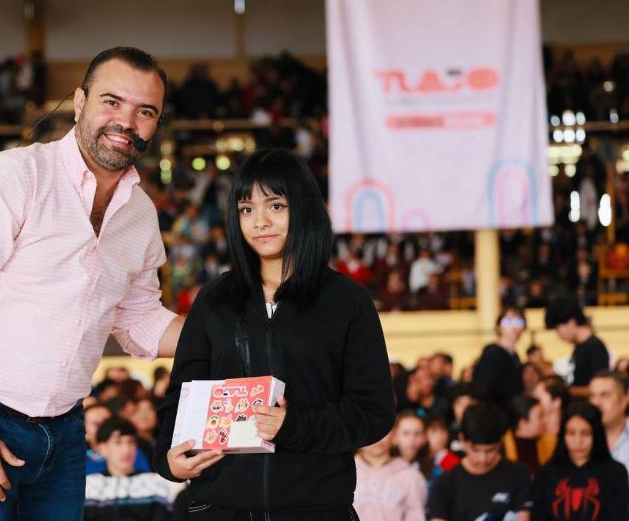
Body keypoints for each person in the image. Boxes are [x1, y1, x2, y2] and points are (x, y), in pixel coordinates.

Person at [0, 47, 184, 519]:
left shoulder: (140, 214)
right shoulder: (14, 176)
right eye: (111, 101)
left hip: (65, 431)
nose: (126, 121)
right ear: (79, 102)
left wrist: (234, 330)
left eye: (145, 111)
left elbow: (140, 319)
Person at [154, 149, 395, 519]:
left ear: (303, 209)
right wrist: (169, 461)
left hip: (316, 509)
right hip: (220, 508)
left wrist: (293, 426)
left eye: (276, 206)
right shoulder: (214, 300)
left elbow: (373, 412)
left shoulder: (347, 302)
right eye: (247, 209)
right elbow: (180, 399)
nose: (260, 222)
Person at [427, 403, 533, 521]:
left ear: (500, 443)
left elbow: (523, 516)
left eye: (490, 450)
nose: (483, 458)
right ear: (462, 439)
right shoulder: (445, 483)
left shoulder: (518, 474)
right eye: (475, 450)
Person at [530, 402, 629, 520]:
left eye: (585, 433)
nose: (578, 441)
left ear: (596, 435)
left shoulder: (615, 472)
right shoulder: (545, 473)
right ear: (563, 436)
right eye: (571, 433)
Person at [84, 418, 181, 521]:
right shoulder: (89, 485)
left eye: (131, 442)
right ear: (102, 448)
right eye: (118, 443)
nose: (126, 450)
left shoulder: (154, 483)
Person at [353, 430, 427, 521]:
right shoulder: (344, 473)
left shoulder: (410, 475)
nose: (377, 438)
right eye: (370, 430)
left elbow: (415, 516)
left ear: (394, 436)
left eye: (383, 430)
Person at [545, 296, 609, 397]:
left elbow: (600, 389)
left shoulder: (595, 347)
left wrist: (566, 390)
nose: (558, 335)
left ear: (571, 322)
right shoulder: (580, 347)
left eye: (557, 329)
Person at [473, 307, 527, 408]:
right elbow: (486, 389)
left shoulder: (515, 356)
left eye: (518, 322)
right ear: (499, 327)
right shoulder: (493, 353)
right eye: (507, 322)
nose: (513, 327)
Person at [588, 371, 629, 474]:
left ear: (625, 399)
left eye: (605, 395)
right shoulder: (579, 440)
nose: (596, 403)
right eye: (592, 396)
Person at [502, 394, 555, 474]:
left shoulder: (549, 443)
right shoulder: (502, 448)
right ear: (522, 423)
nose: (545, 421)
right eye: (540, 417)